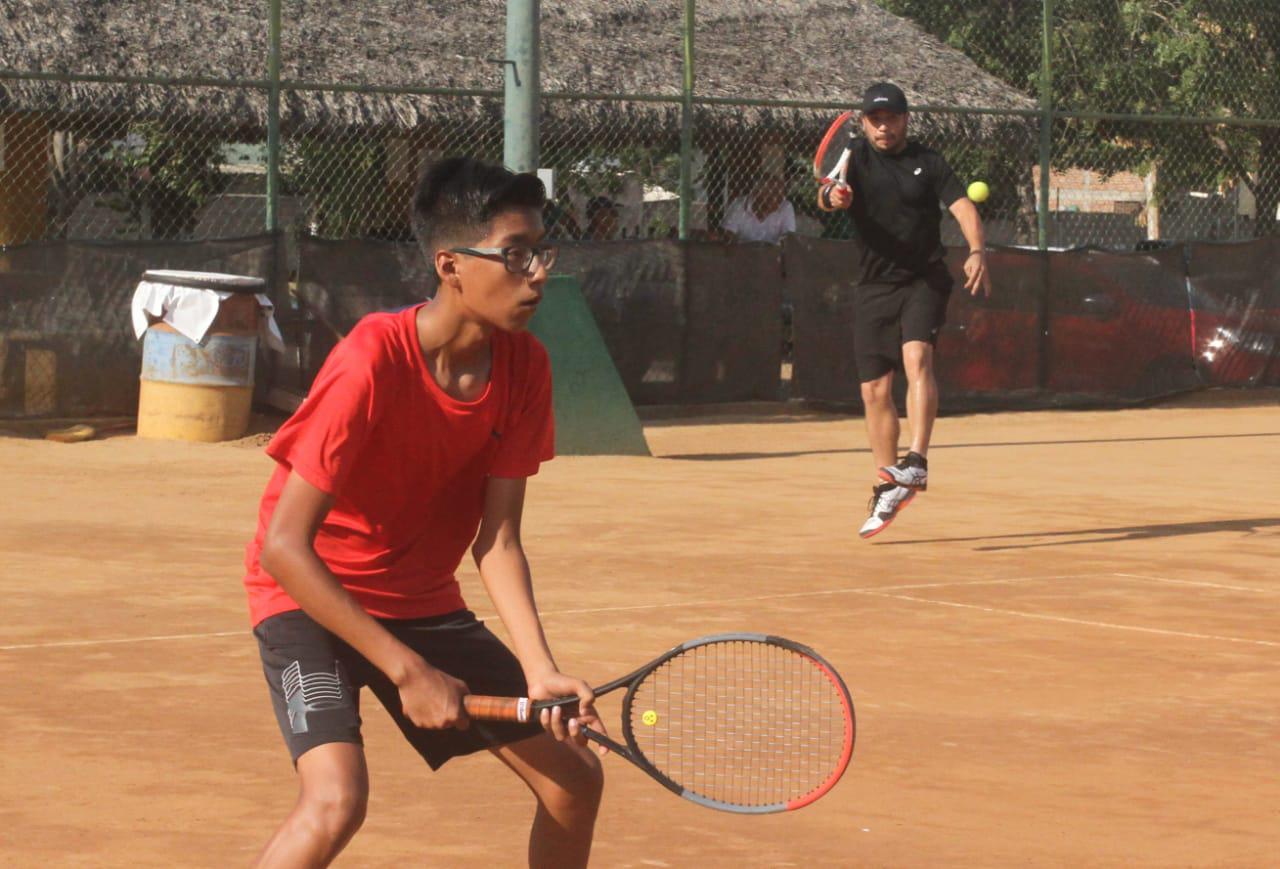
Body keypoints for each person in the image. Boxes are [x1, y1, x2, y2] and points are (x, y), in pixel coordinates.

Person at [243, 156, 605, 868]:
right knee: (336, 800)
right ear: (450, 264)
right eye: (515, 255)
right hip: (311, 598)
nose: (536, 273)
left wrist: (539, 668)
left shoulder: (526, 367)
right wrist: (408, 671)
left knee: (574, 779)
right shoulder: (372, 359)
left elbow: (497, 539)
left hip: (420, 603)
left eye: (541, 252)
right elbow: (285, 545)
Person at [816, 82, 992, 539]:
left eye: (891, 117)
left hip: (924, 278)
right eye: (875, 119)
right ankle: (887, 484)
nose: (883, 126)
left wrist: (976, 250)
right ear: (863, 122)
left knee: (917, 358)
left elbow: (962, 207)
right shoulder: (853, 156)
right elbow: (826, 195)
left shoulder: (929, 162)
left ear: (905, 119)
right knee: (874, 390)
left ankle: (916, 462)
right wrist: (834, 199)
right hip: (875, 284)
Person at [722, 173, 797, 243]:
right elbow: (728, 235)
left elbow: (789, 239)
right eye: (773, 192)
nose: (778, 199)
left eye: (781, 194)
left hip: (774, 255)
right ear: (755, 193)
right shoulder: (738, 205)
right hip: (743, 253)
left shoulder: (786, 207)